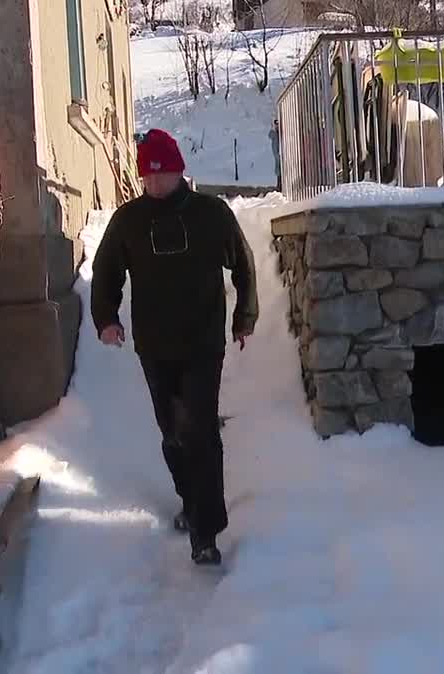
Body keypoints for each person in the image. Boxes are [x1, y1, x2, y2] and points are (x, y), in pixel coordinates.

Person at [91, 129, 258, 566]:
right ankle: (191, 502)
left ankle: (206, 533)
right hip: (154, 346)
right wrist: (106, 319)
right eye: (147, 177)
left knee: (200, 432)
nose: (154, 184)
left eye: (161, 176)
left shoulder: (211, 214)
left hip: (203, 344)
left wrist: (245, 317)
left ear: (180, 171)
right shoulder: (129, 221)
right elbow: (106, 269)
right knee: (173, 435)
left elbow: (243, 264)